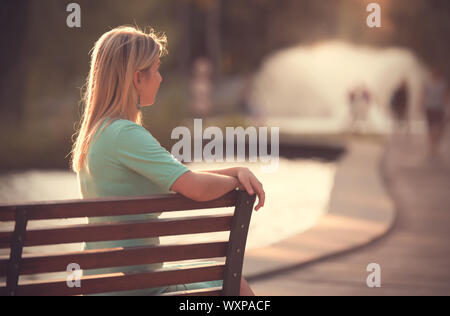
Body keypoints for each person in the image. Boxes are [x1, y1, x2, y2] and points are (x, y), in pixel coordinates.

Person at [70, 25, 265, 296]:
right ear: (138, 78)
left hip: (100, 286)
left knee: (215, 272)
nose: (160, 78)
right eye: (156, 69)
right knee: (233, 283)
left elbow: (183, 177)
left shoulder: (98, 134)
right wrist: (236, 179)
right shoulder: (127, 135)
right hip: (140, 289)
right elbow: (195, 187)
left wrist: (234, 170)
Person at [421, 66, 449, 158]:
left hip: (439, 108)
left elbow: (446, 96)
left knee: (439, 128)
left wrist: (446, 107)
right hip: (429, 107)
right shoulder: (427, 83)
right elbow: (423, 94)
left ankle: (435, 143)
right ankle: (432, 146)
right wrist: (421, 105)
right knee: (430, 127)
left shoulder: (443, 84)